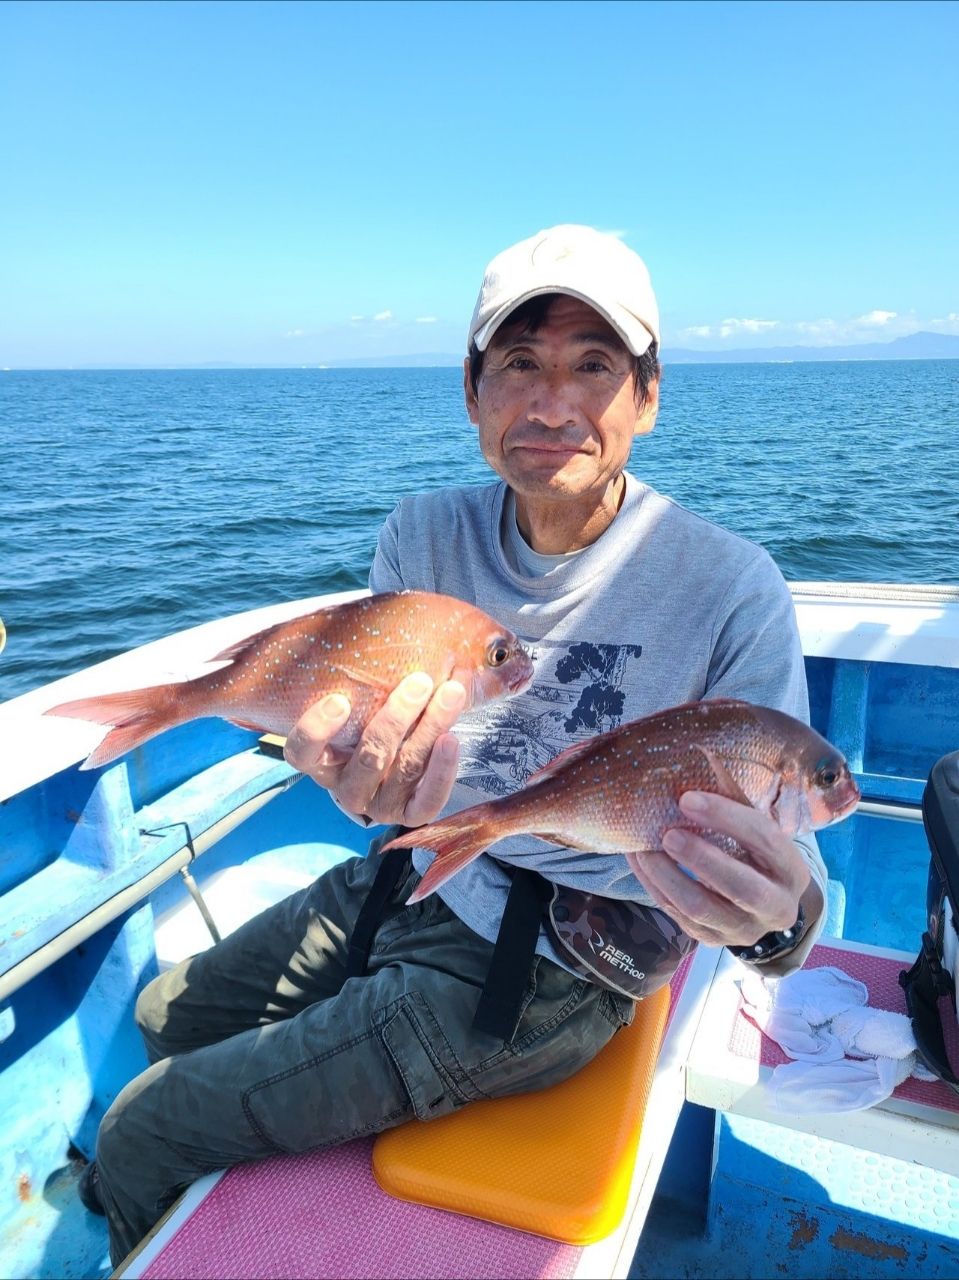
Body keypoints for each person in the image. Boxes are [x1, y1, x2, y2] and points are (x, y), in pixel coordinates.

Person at [88, 225, 827, 1265]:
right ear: (473, 394)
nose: (552, 405)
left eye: (593, 366)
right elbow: (376, 777)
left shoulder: (730, 586)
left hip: (556, 966)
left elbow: (790, 865)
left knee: (139, 1129)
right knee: (166, 1014)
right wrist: (356, 788)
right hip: (411, 876)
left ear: (648, 396)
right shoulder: (422, 534)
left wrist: (772, 925)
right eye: (519, 363)